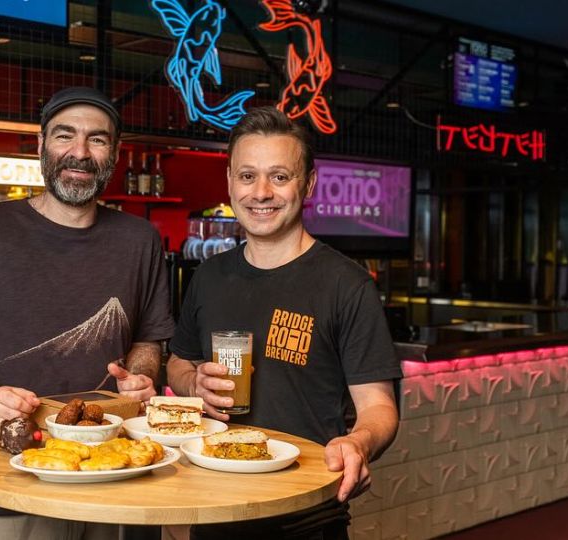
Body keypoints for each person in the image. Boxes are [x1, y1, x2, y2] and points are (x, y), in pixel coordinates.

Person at [0, 86, 175, 539]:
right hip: (10, 480)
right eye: (64, 136)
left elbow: (146, 340)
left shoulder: (140, 240)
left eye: (97, 139)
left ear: (113, 153)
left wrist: (139, 375)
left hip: (117, 477)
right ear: (40, 146)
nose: (80, 152)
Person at [165, 107, 402, 539]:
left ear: (307, 184)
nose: (261, 193)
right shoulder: (209, 277)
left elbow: (379, 407)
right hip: (214, 508)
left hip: (307, 515)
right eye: (247, 176)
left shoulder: (346, 285)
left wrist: (359, 442)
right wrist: (192, 382)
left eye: (279, 176)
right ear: (230, 183)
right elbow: (178, 362)